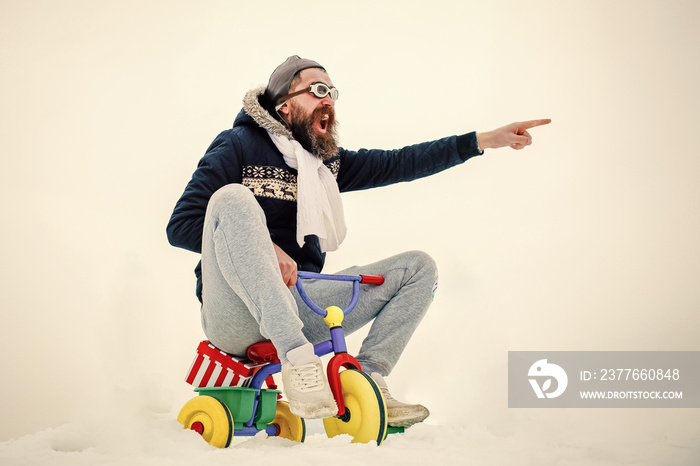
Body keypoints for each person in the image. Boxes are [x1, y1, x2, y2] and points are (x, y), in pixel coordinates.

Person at [167, 55, 550, 426]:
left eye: (333, 92)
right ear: (284, 105)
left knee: (417, 267)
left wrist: (483, 140)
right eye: (317, 89)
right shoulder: (238, 145)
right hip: (234, 309)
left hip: (299, 301)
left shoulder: (325, 165)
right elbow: (182, 224)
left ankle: (369, 381)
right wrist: (267, 249)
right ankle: (298, 362)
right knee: (233, 199)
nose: (328, 100)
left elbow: (401, 161)